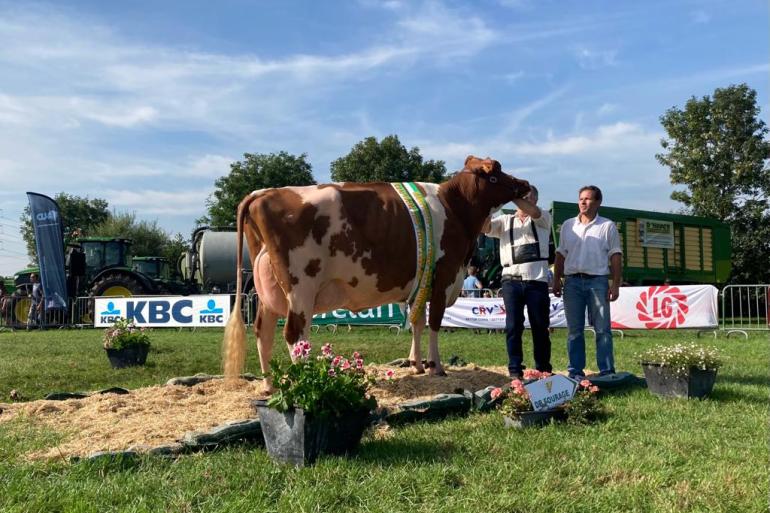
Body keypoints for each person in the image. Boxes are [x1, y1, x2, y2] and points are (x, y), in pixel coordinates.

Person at [552, 185, 622, 379]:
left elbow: (615, 255)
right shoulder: (567, 225)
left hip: (598, 281)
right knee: (574, 330)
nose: (583, 202)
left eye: (588, 199)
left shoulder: (607, 226)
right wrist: (556, 279)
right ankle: (575, 371)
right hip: (572, 282)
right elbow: (560, 254)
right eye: (581, 198)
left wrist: (615, 283)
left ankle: (607, 371)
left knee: (602, 329)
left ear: (598, 202)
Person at [483, 185, 552, 378]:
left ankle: (543, 369)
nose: (524, 200)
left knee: (540, 326)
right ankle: (515, 369)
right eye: (522, 197)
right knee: (513, 326)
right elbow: (485, 228)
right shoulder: (505, 220)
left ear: (535, 200)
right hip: (511, 280)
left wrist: (510, 194)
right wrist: (487, 206)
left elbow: (533, 211)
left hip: (536, 280)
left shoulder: (543, 217)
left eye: (528, 197)